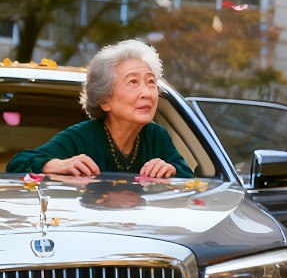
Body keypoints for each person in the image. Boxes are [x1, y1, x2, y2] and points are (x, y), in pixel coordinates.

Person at [6, 39, 194, 179]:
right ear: (105, 100)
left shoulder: (156, 137)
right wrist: (56, 164)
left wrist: (172, 170)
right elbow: (18, 164)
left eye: (151, 82)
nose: (147, 92)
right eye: (133, 82)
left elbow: (191, 179)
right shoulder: (82, 136)